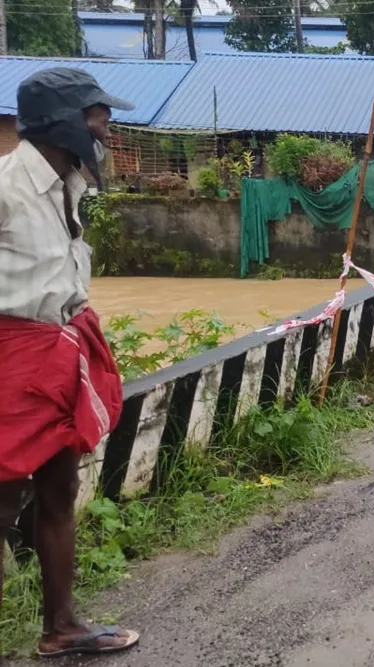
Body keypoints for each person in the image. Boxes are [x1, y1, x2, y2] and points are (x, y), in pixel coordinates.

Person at [0, 68, 136, 657]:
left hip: (55, 350)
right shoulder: (5, 189)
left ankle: (61, 628)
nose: (104, 128)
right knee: (2, 499)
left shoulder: (69, 185)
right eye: (95, 116)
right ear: (62, 122)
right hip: (11, 356)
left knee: (59, 489)